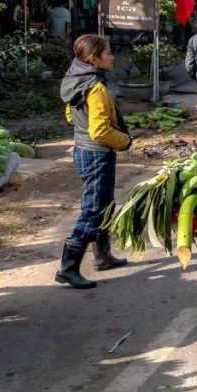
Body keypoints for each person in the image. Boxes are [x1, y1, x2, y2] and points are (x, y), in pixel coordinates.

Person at [57, 35, 132, 289]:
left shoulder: (75, 79)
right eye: (108, 53)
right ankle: (68, 268)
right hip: (97, 152)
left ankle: (103, 256)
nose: (112, 56)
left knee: (105, 203)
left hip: (82, 150)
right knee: (93, 209)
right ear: (93, 58)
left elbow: (70, 114)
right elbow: (100, 131)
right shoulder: (96, 87)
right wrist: (124, 141)